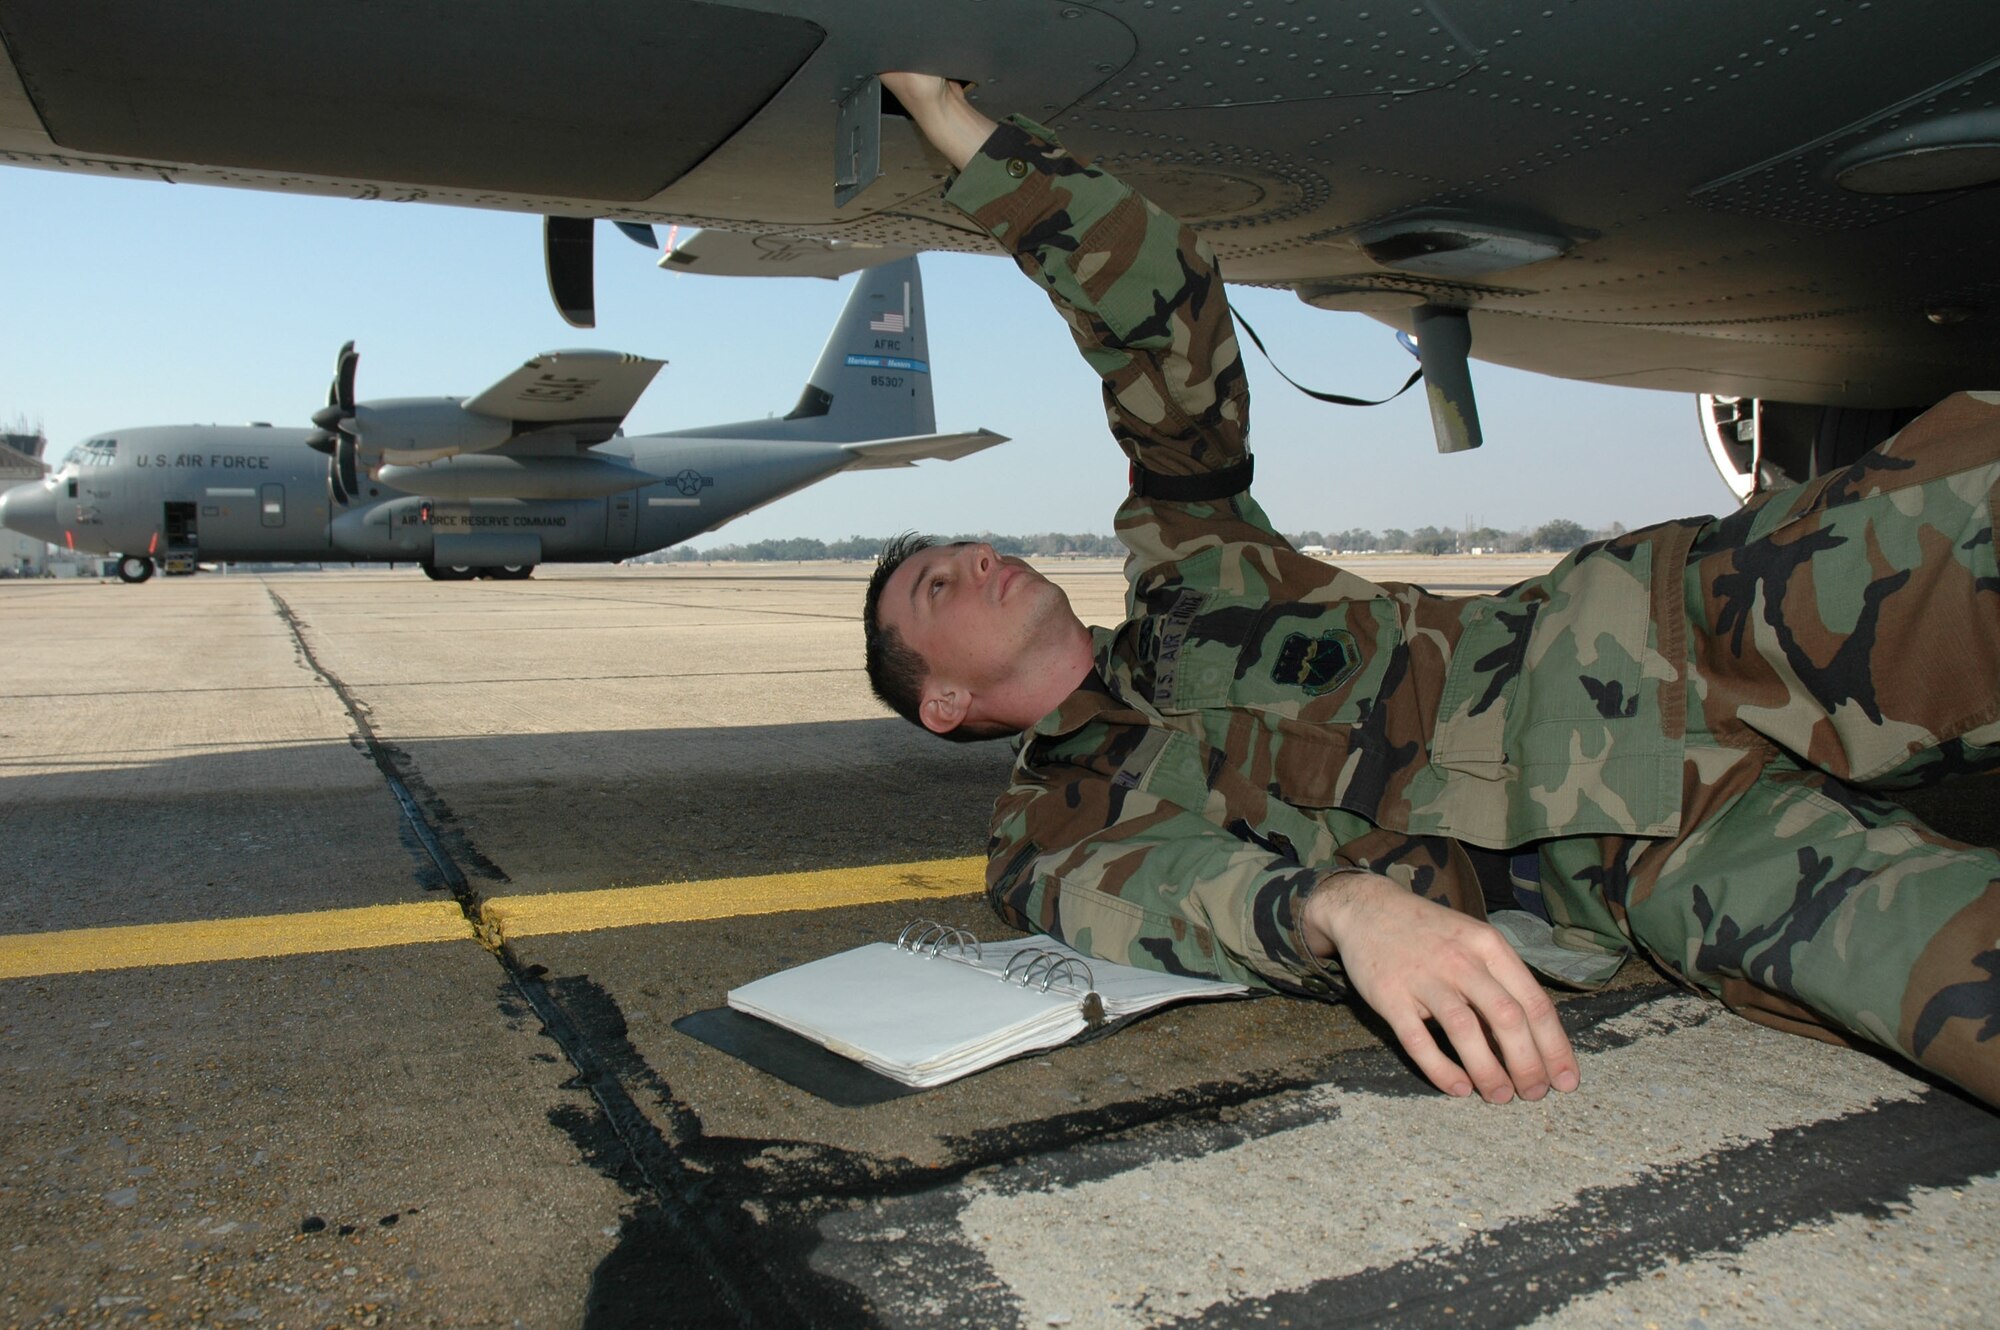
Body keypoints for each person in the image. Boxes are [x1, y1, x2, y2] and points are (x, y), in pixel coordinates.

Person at [865, 72, 2000, 1109]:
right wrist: (1343, 907)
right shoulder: (1046, 839)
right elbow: (1172, 895)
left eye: (961, 547)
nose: (974, 557)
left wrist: (957, 128)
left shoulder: (1189, 564)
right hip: (1650, 865)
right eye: (932, 585)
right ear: (943, 705)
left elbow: (1161, 319)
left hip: (1685, 639)